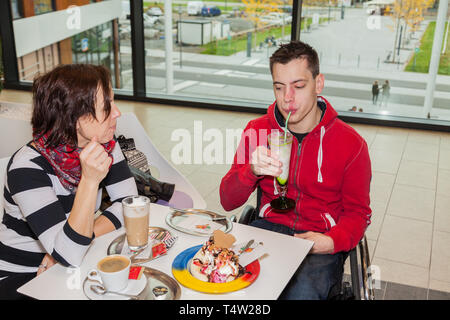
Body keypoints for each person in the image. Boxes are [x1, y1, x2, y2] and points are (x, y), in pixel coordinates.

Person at [220, 41, 372, 300]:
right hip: (269, 229)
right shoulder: (257, 131)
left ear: (318, 84)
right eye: (279, 87)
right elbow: (227, 200)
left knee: (300, 295)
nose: (287, 98)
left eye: (298, 86)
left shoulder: (352, 144)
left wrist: (332, 241)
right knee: (232, 286)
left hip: (319, 240)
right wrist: (251, 170)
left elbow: (358, 213)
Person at [0, 64, 138, 299]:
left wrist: (71, 244)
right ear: (73, 118)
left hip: (75, 260)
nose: (117, 113)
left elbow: (130, 204)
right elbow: (70, 254)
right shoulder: (27, 167)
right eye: (107, 106)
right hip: (22, 274)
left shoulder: (104, 144)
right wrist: (90, 180)